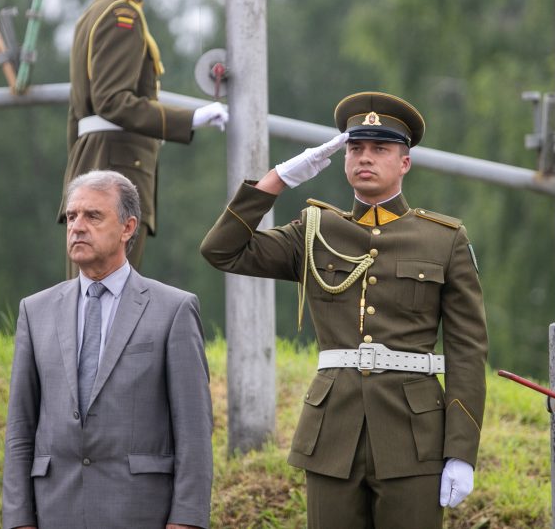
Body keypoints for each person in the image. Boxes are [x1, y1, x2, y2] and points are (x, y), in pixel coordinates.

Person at [200, 92, 488, 528]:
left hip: (414, 436)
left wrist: (461, 451)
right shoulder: (315, 230)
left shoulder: (443, 239)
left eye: (380, 149)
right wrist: (278, 179)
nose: (365, 158)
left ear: (404, 163)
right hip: (332, 433)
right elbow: (222, 251)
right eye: (355, 148)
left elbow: (468, 352)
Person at [4, 170, 213, 529]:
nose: (77, 227)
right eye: (71, 216)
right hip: (56, 512)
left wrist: (187, 520)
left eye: (93, 216)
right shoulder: (34, 311)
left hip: (141, 513)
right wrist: (19, 519)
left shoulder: (173, 310)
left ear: (128, 228)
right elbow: (20, 428)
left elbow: (194, 430)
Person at [59, 0, 228, 277]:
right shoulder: (123, 15)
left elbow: (79, 110)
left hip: (95, 160)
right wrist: (191, 118)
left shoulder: (94, 12)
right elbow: (112, 100)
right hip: (116, 167)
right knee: (107, 291)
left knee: (92, 291)